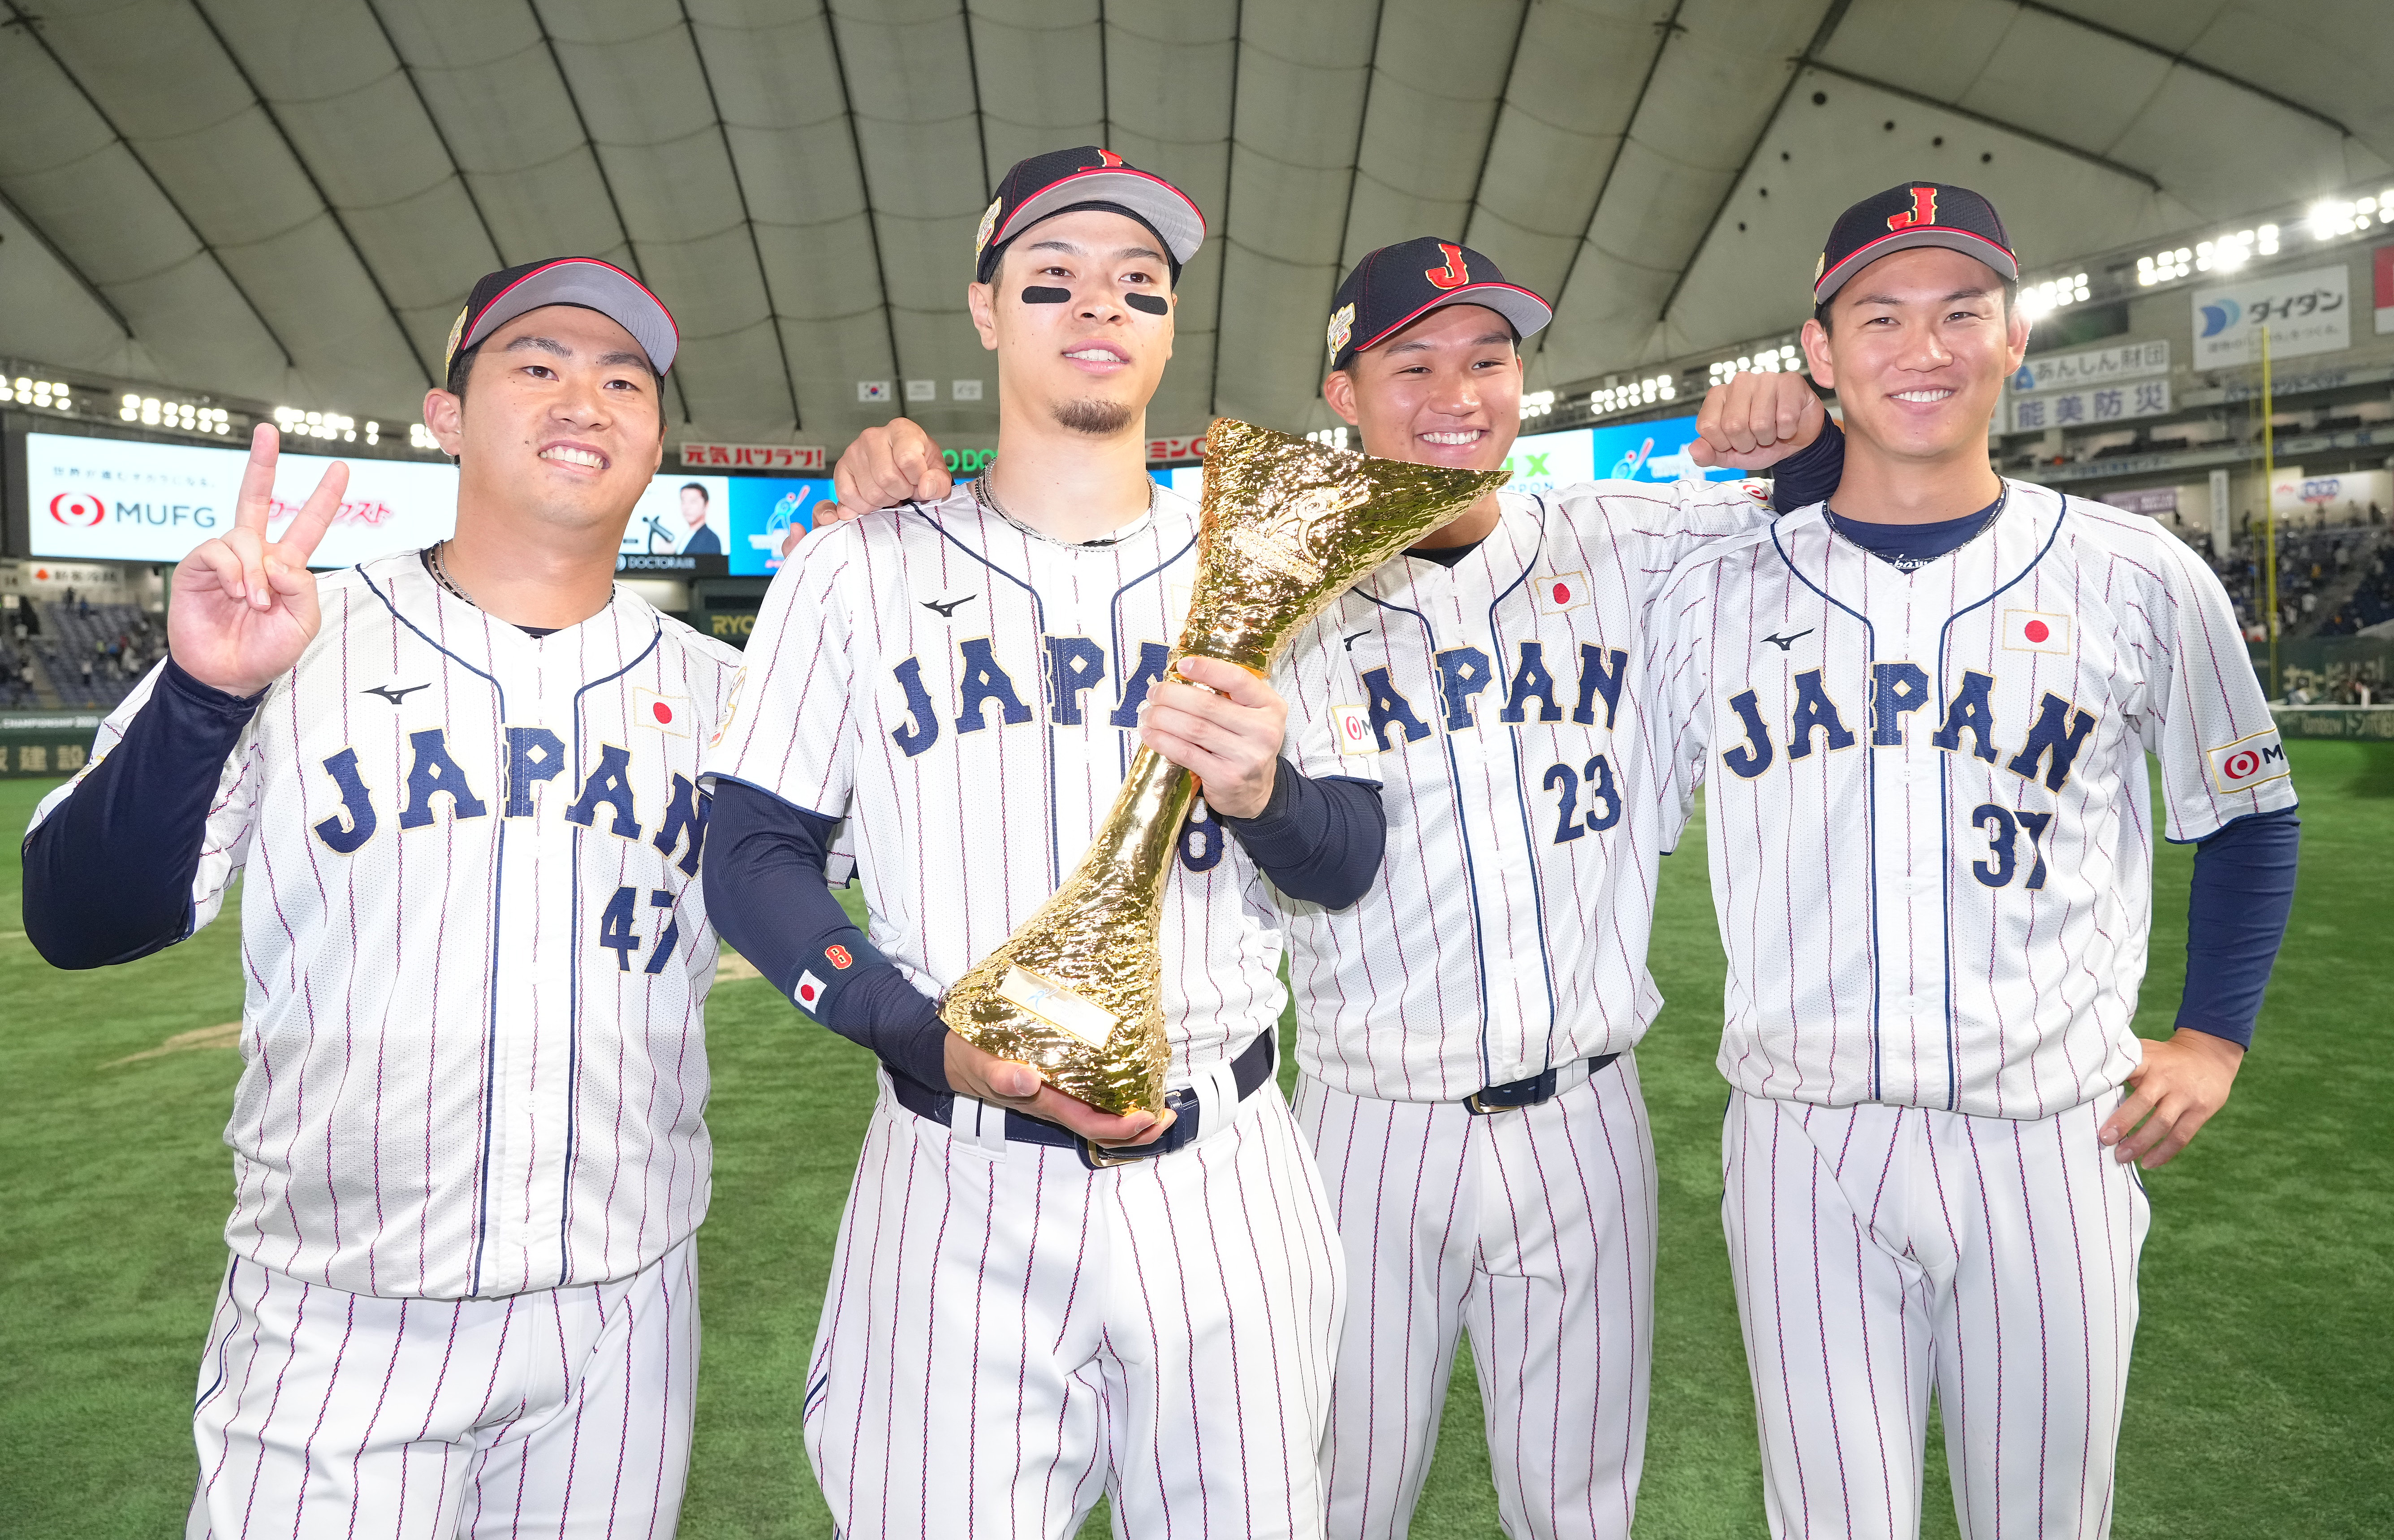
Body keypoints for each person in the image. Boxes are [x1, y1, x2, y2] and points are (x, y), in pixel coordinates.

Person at [818, 233, 1845, 1539]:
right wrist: (901, 471)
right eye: (1410, 362)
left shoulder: (1627, 537)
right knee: (1334, 1495)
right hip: (1365, 1116)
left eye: (1488, 358)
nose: (1456, 391)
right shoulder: (1249, 584)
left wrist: (1803, 436)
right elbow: (1046, 542)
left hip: (1590, 1106)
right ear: (1344, 396)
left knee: (1584, 1497)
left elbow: (1838, 544)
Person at [699, 148, 1372, 1538]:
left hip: (1225, 1175)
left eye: (1139, 283)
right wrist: (913, 1026)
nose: (1098, 307)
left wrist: (1268, 794)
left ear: (1171, 325)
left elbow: (1348, 853)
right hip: (959, 1178)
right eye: (1052, 278)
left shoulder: (1257, 564)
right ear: (988, 310)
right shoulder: (858, 561)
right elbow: (753, 850)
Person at [23, 257, 739, 1540]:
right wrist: (202, 695)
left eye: (624, 378)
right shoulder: (297, 634)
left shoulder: (730, 694)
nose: (585, 395)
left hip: (628, 1318)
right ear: (446, 417)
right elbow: (82, 918)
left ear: (655, 437)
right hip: (341, 1315)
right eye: (536, 365)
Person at [1639, 181, 2300, 1539]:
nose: (1922, 346)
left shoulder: (2137, 572)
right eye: (1879, 315)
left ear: (2014, 344)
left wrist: (2213, 1040)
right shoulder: (1713, 584)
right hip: (1803, 1137)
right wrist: (1780, 459)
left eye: (1962, 312)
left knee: (2047, 1517)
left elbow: (2247, 810)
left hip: (2050, 1136)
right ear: (1820, 355)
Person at [678, 480, 722, 554]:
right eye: (684, 501)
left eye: (693, 501)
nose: (687, 507)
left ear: (706, 504)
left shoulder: (711, 540)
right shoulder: (687, 534)